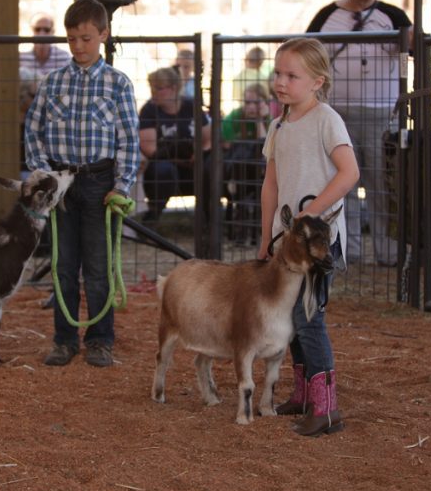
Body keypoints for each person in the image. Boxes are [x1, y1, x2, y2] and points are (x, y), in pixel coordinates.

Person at [24, 0, 139, 368]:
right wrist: (44, 175)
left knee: (98, 267)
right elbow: (33, 132)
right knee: (62, 264)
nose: (78, 46)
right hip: (61, 182)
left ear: (104, 35)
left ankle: (101, 339)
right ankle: (64, 339)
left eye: (86, 38)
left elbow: (129, 140)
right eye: (72, 38)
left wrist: (121, 186)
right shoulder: (52, 83)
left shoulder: (118, 84)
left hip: (100, 183)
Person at [258, 37, 359, 437]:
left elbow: (349, 173)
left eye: (292, 76)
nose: (281, 82)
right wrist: (267, 234)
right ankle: (304, 394)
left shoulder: (326, 120)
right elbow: (271, 184)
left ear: (317, 81)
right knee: (291, 315)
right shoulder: (279, 125)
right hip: (289, 240)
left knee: (308, 315)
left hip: (316, 242)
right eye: (278, 73)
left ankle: (326, 406)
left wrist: (312, 212)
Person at [306, 0, 412, 267]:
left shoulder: (392, 15)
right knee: (342, 185)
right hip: (338, 113)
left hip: (381, 113)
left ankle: (388, 253)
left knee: (381, 184)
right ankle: (347, 251)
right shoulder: (326, 16)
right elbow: (309, 53)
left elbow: (411, 51)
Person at [138, 65, 211, 222]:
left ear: (173, 88)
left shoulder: (191, 106)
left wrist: (199, 154)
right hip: (163, 163)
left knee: (209, 167)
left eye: (158, 88)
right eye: (151, 88)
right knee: (164, 170)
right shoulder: (149, 110)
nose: (153, 93)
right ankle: (153, 216)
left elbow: (208, 139)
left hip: (193, 163)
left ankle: (208, 219)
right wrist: (176, 155)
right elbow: (150, 149)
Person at [222, 83, 269, 243]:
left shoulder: (269, 120)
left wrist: (259, 120)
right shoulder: (233, 118)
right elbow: (228, 146)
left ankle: (259, 233)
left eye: (255, 103)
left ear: (264, 103)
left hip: (259, 171)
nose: (250, 107)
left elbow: (266, 147)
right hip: (237, 171)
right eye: (247, 102)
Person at [19, 12, 70, 79]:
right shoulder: (22, 58)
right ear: (31, 31)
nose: (41, 34)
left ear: (53, 32)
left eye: (46, 30)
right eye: (37, 29)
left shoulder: (64, 57)